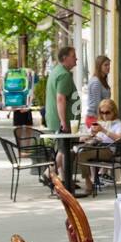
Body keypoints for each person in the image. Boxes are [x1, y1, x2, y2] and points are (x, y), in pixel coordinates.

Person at [43, 45, 79, 186]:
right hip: (62, 120)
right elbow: (60, 98)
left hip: (56, 118)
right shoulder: (63, 74)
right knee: (64, 149)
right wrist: (63, 121)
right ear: (65, 58)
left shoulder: (57, 71)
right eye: (73, 55)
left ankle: (64, 179)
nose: (76, 58)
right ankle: (48, 173)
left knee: (62, 149)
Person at [76, 97, 121, 188]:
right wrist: (91, 135)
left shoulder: (118, 124)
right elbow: (82, 138)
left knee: (82, 155)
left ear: (114, 111)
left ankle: (89, 181)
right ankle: (66, 182)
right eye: (102, 113)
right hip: (97, 148)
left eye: (107, 112)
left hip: (108, 151)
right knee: (71, 153)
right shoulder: (99, 123)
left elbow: (119, 138)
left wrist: (104, 131)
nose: (105, 115)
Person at [85, 55, 111, 130]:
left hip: (100, 118)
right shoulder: (96, 82)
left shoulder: (102, 80)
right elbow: (97, 104)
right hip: (94, 118)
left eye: (109, 64)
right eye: (105, 65)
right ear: (99, 66)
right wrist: (102, 120)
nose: (108, 67)